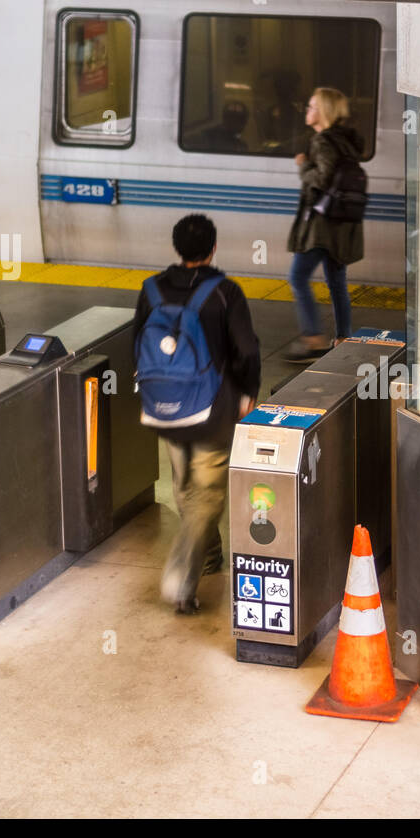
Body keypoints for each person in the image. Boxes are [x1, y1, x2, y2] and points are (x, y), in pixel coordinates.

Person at [134, 214, 261, 614]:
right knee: (205, 497)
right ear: (213, 248)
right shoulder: (225, 292)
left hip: (166, 411)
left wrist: (153, 394)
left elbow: (135, 345)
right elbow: (247, 352)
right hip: (212, 413)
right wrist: (247, 395)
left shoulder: (151, 290)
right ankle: (182, 582)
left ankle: (209, 557)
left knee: (186, 490)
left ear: (176, 248)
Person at [283, 87, 363, 362]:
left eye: (312, 106)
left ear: (324, 111)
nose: (307, 110)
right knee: (336, 281)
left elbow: (324, 177)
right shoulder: (345, 141)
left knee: (297, 277)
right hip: (341, 224)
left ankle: (314, 339)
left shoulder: (323, 141)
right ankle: (342, 337)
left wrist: (304, 166)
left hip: (322, 226)